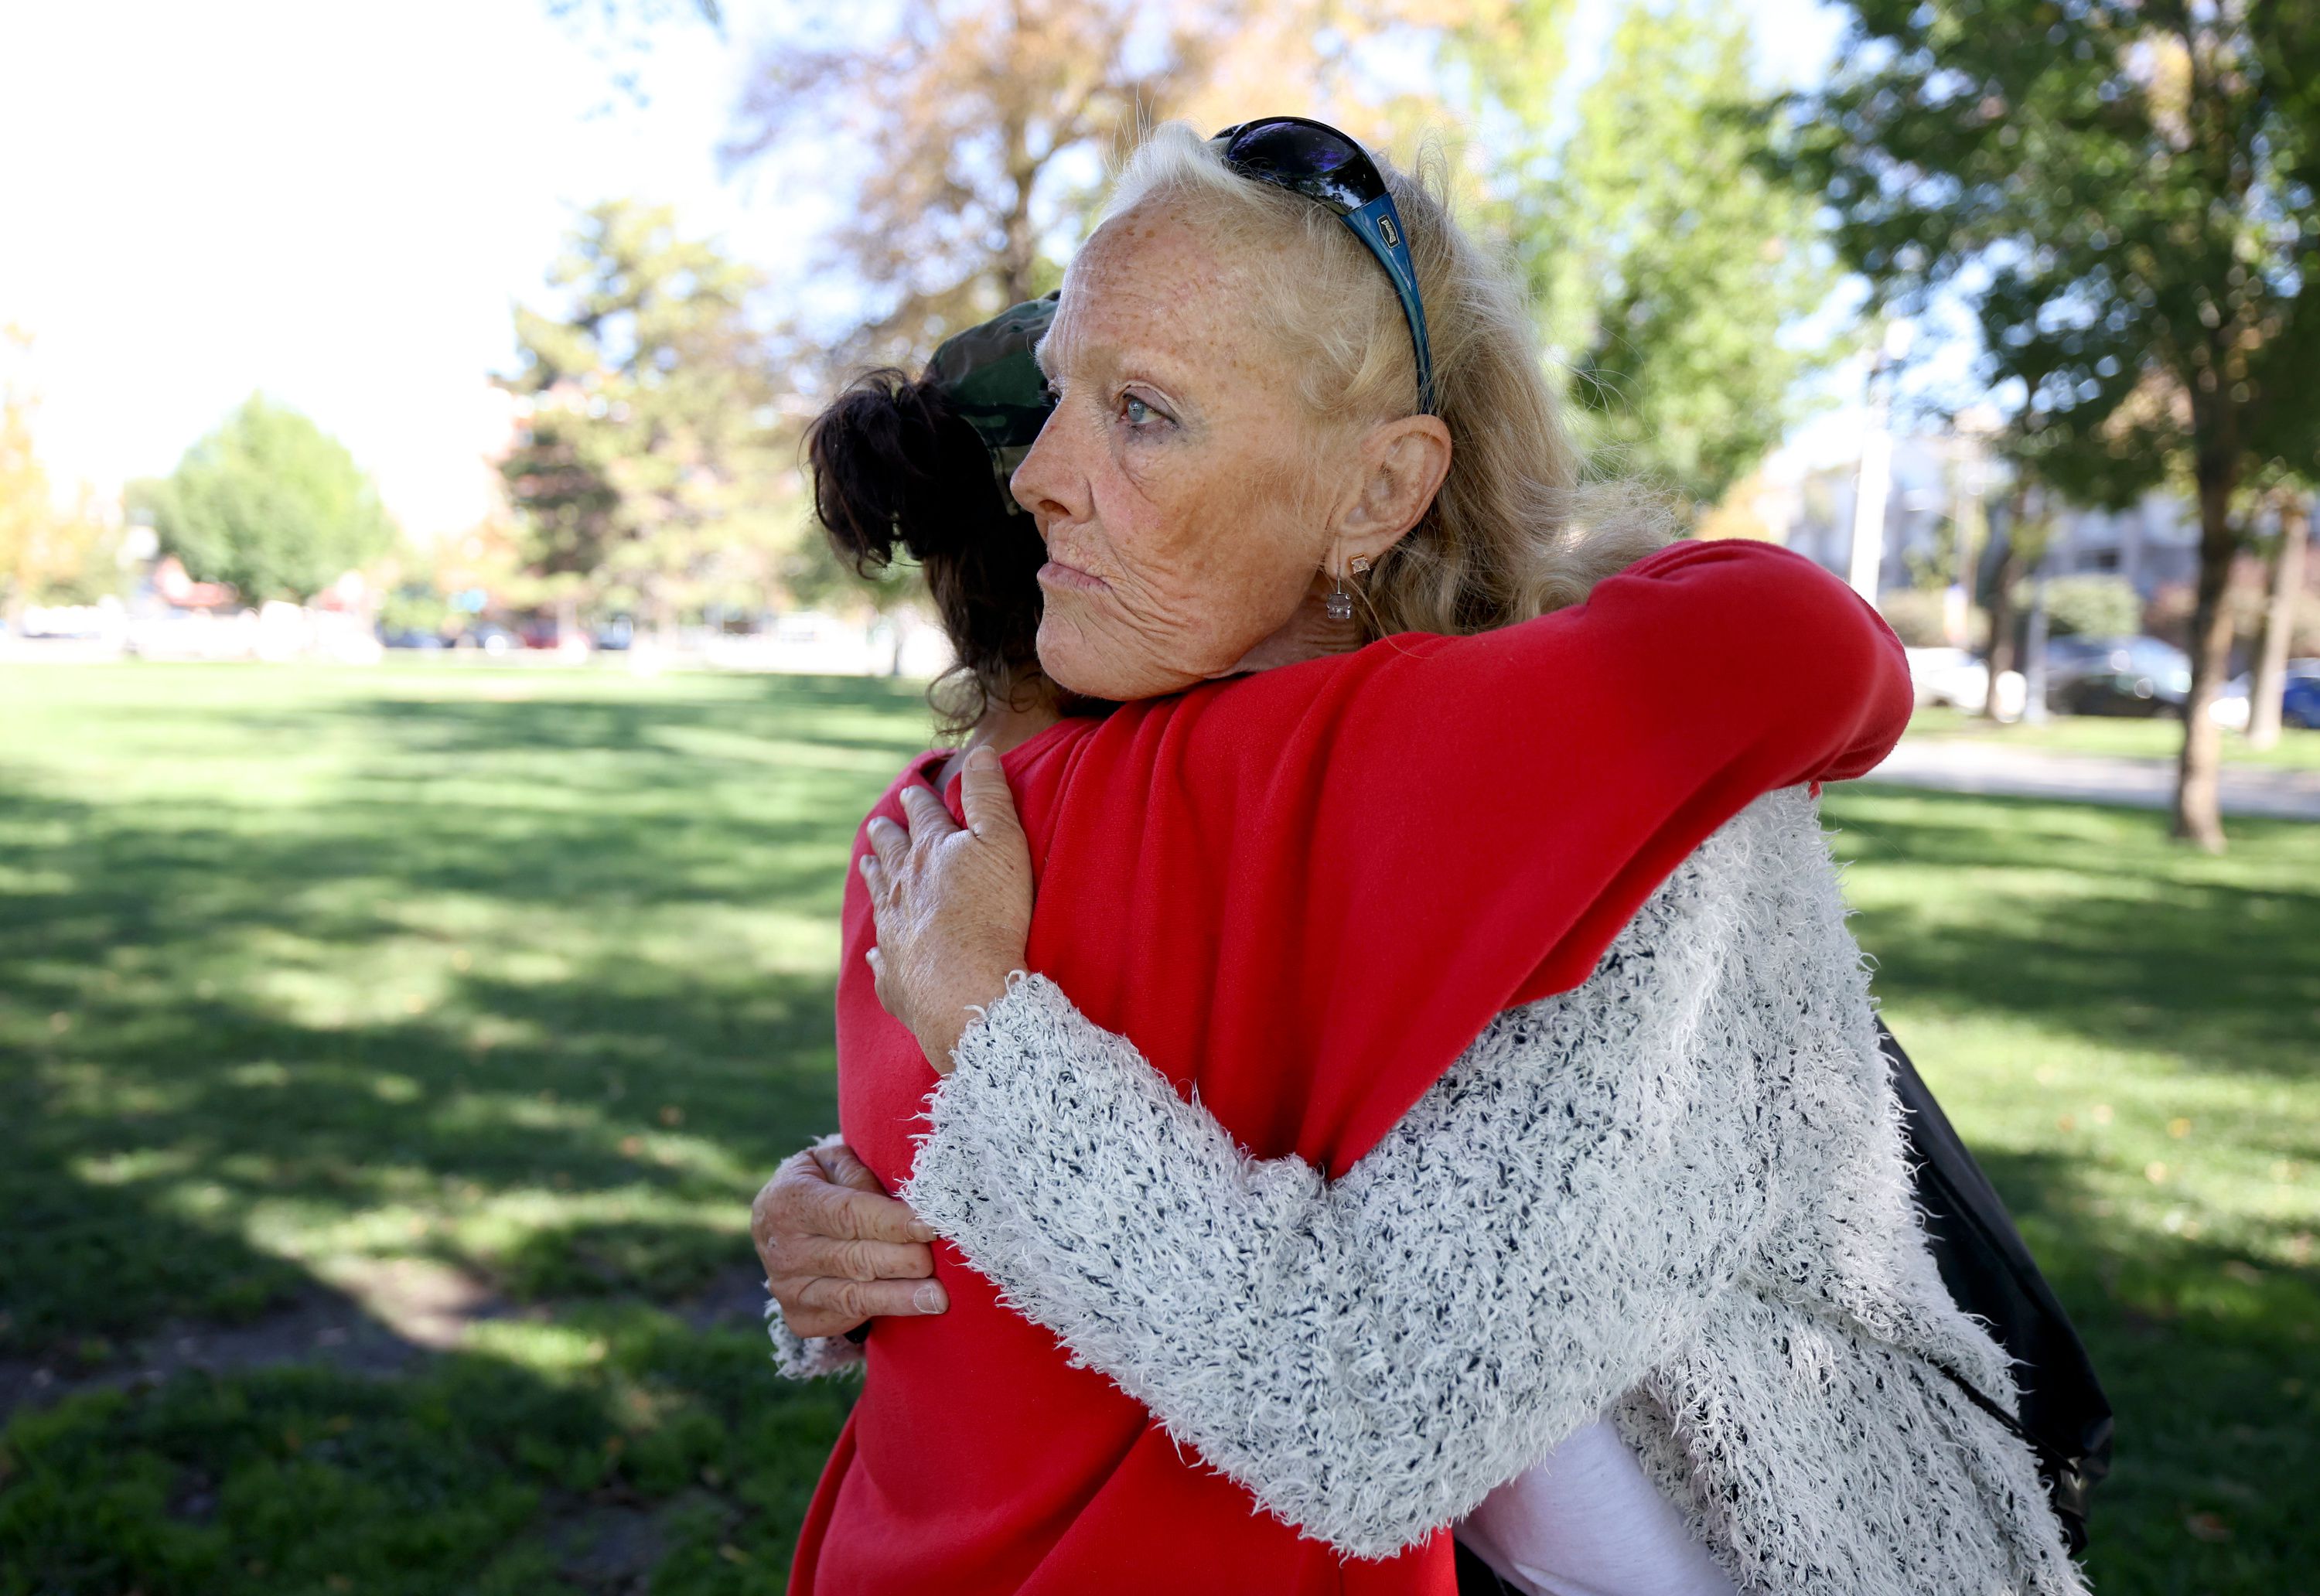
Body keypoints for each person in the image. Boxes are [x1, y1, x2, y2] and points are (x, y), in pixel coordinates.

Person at [761, 117, 2084, 1596]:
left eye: (1142, 412)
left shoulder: (1635, 822)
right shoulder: (1089, 812)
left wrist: (986, 1044)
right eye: (1063, 395)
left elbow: (1367, 1415)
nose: (1039, 477)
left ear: (1381, 492)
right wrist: (852, 1216)